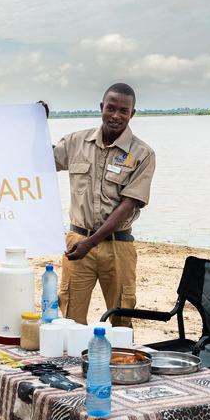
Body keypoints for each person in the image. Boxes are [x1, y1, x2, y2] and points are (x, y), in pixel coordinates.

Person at [50, 83, 155, 326]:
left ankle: (123, 363)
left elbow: (127, 205)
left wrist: (92, 242)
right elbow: (39, 162)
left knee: (122, 319)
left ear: (132, 113)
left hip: (118, 248)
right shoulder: (76, 142)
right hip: (77, 243)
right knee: (70, 318)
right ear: (101, 108)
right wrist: (35, 124)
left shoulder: (142, 154)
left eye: (124, 111)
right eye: (111, 108)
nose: (116, 116)